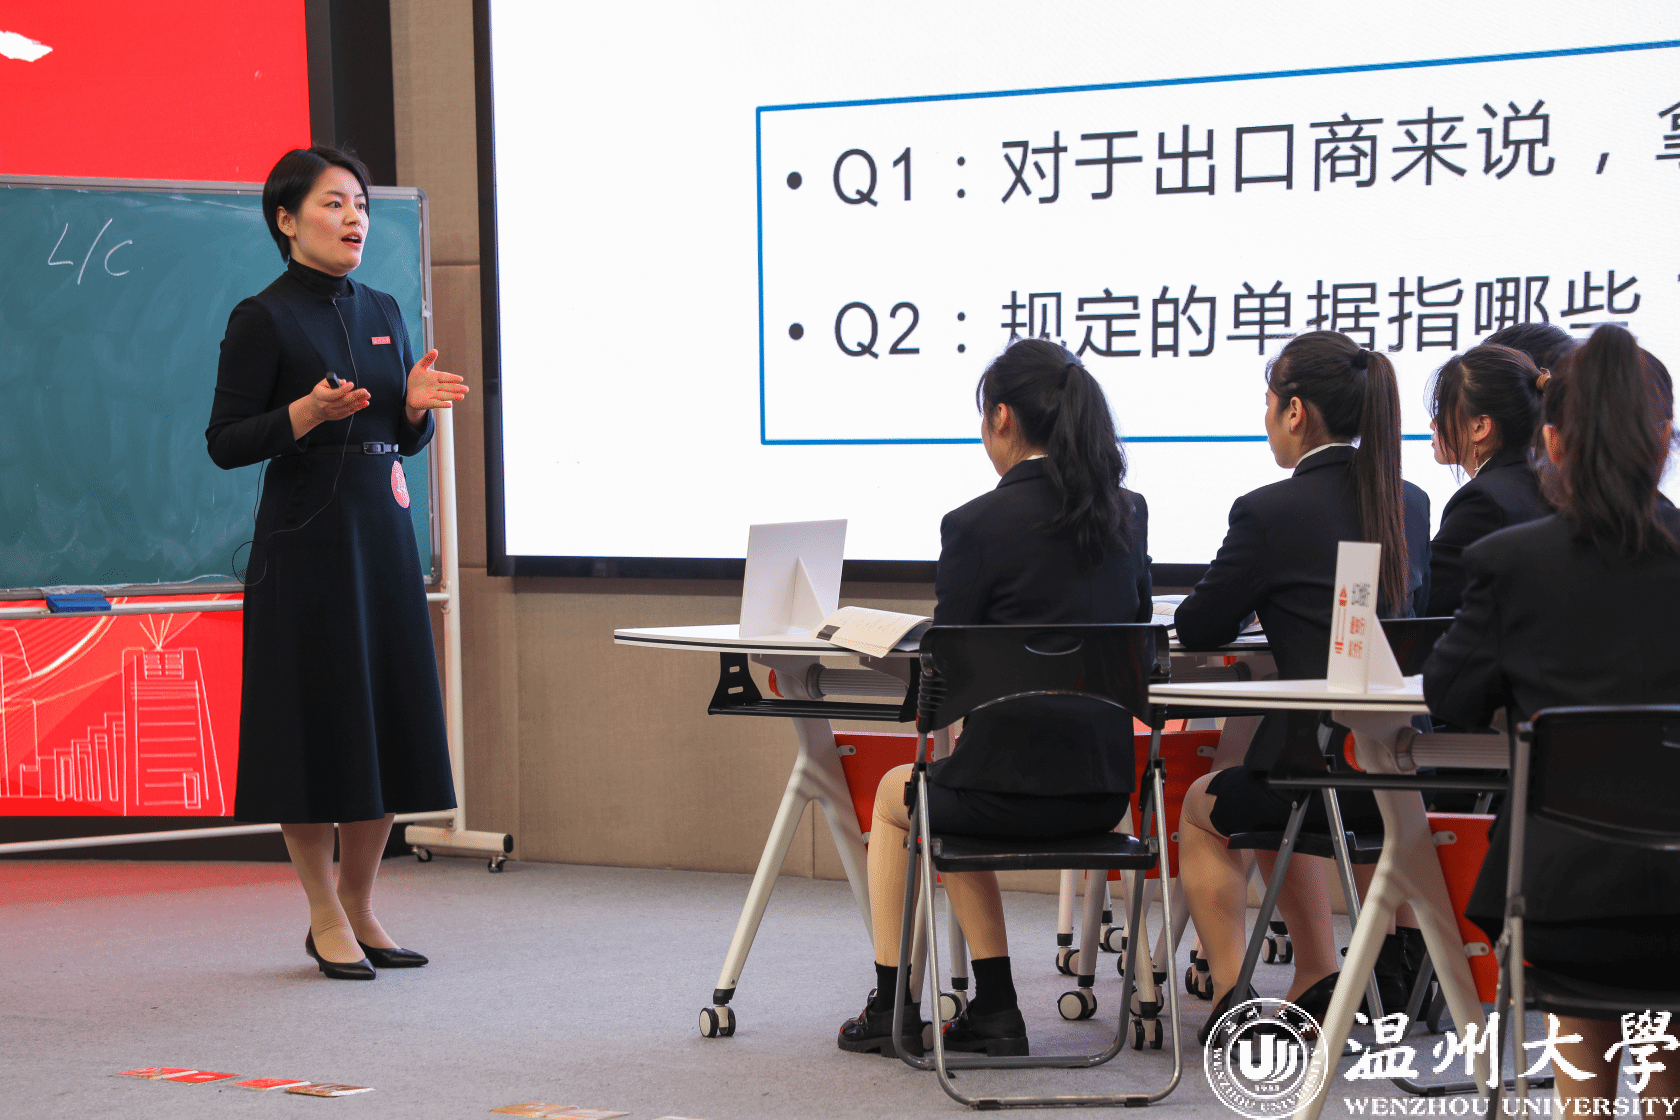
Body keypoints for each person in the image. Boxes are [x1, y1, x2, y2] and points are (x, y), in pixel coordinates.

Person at [837, 338, 1151, 1059]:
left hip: (1000, 794)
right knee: (953, 787)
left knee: (904, 794)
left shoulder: (975, 524)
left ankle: (895, 1005)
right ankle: (994, 1011)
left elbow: (949, 671)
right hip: (1103, 795)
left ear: (1002, 417)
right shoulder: (1127, 513)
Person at [205, 147, 468, 980]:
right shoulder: (263, 317)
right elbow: (225, 442)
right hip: (305, 551)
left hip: (383, 542)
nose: (354, 217)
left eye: (359, 203)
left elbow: (399, 434)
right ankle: (323, 912)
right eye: (333, 203)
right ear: (286, 220)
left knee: (384, 721)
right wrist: (305, 413)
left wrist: (416, 413)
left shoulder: (382, 306)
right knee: (314, 729)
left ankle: (361, 903)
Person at [1423, 325, 1680, 1113]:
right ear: (1664, 439)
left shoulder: (1512, 564)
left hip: (1565, 899)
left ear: (1553, 442)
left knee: (1586, 946)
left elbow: (1450, 698)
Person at [1173, 330, 1431, 1039]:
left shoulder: (1268, 511)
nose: (1265, 420)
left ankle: (1233, 1000)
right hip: (1404, 781)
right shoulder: (1410, 502)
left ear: (1293, 411)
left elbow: (1199, 625)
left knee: (1207, 802)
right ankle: (1316, 971)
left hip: (1317, 782)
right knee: (1274, 773)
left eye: (1267, 404)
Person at [1424, 344, 1552, 617]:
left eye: (1442, 409)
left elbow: (1426, 598)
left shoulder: (1483, 501)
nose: (1433, 424)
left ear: (1480, 427)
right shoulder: (1544, 484)